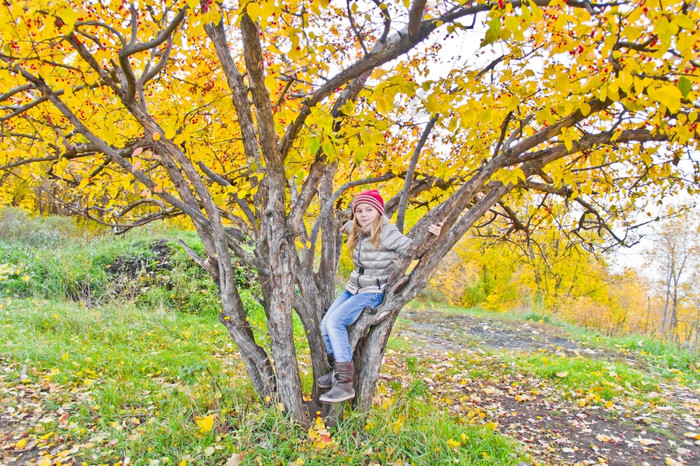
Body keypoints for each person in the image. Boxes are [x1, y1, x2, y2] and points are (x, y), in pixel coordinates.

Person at [318, 189, 443, 403]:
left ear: (378, 211)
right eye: (359, 211)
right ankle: (336, 372)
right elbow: (352, 227)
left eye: (369, 210)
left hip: (372, 291)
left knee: (336, 323)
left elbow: (414, 251)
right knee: (324, 326)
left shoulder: (387, 232)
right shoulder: (357, 228)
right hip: (354, 287)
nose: (363, 214)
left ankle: (344, 384)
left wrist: (434, 236)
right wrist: (346, 226)